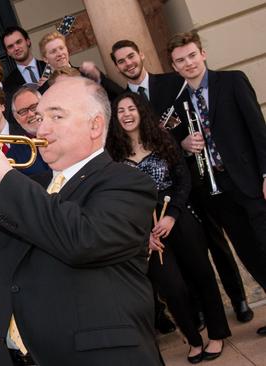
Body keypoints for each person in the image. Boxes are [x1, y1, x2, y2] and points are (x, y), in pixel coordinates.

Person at [0, 76, 161, 366]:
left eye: (56, 115)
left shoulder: (127, 182)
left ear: (95, 125)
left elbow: (83, 241)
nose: (41, 127)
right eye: (40, 117)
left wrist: (5, 179)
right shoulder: (32, 187)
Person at [111, 39, 254, 324]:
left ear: (141, 55)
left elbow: (201, 118)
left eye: (131, 56)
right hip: (163, 191)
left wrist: (187, 142)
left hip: (197, 177)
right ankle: (198, 309)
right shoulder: (123, 102)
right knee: (182, 254)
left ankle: (237, 298)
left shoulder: (173, 82)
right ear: (116, 67)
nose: (128, 63)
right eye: (121, 61)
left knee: (216, 241)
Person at [107, 92, 230, 363]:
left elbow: (183, 181)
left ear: (140, 111)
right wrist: (142, 236)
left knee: (202, 275)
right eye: (120, 111)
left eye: (131, 108)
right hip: (145, 230)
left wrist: (172, 215)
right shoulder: (113, 154)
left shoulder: (162, 139)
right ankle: (194, 339)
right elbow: (116, 200)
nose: (126, 114)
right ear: (114, 118)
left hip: (178, 218)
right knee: (171, 288)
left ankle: (217, 334)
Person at [168, 31, 266, 335]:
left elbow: (257, 128)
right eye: (181, 60)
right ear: (174, 67)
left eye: (192, 55)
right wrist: (183, 144)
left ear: (203, 55)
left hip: (250, 181)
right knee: (247, 252)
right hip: (216, 189)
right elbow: (170, 142)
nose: (188, 63)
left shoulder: (232, 81)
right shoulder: (179, 102)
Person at [39, 31, 123, 101]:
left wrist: (100, 78)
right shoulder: (44, 91)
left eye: (61, 48)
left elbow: (120, 96)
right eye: (53, 51)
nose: (60, 54)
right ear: (45, 59)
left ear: (67, 49)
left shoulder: (88, 73)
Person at [9, 85, 49, 175]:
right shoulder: (14, 156)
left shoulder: (66, 132)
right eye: (23, 111)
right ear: (17, 119)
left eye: (34, 107)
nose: (31, 114)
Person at [1, 26, 48, 96]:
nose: (16, 48)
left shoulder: (49, 66)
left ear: (28, 41)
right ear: (8, 52)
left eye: (19, 42)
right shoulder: (8, 84)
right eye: (10, 46)